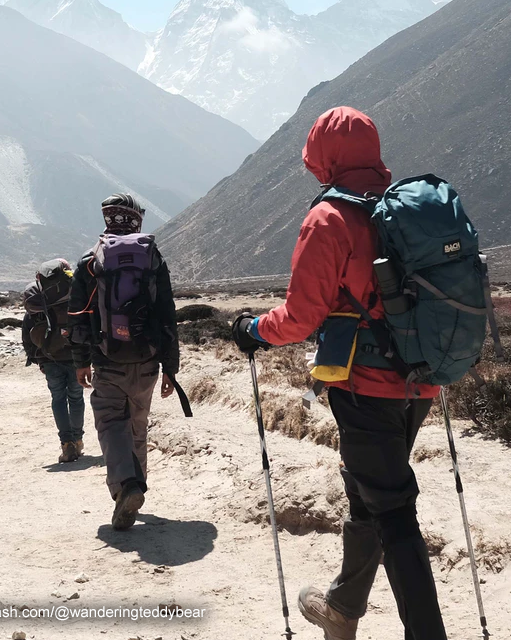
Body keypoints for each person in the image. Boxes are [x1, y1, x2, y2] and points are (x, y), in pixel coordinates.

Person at [231, 107, 446, 640]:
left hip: (363, 384)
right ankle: (342, 609)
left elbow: (301, 318)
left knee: (393, 511)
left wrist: (252, 328)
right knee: (370, 493)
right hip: (420, 378)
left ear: (325, 155)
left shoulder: (329, 219)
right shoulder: (405, 209)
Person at [68, 193, 180, 531]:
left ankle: (126, 487)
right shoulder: (152, 258)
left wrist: (81, 360)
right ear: (136, 219)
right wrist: (170, 368)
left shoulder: (92, 261)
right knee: (136, 425)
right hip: (147, 361)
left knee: (110, 423)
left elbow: (77, 316)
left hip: (107, 359)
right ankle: (138, 484)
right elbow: (167, 315)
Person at [21, 260, 85, 463]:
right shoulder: (73, 292)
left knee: (58, 399)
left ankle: (67, 445)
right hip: (75, 355)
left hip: (49, 357)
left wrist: (35, 357)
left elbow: (27, 331)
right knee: (76, 398)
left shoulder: (38, 298)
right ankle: (78, 440)